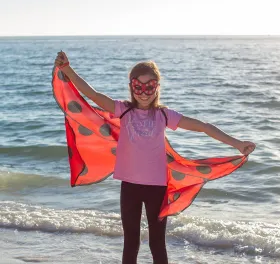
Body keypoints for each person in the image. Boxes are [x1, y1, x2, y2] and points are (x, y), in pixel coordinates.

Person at [54, 51, 256, 264]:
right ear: (132, 87)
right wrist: (67, 69)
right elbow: (92, 95)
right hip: (129, 186)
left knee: (156, 243)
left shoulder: (164, 115)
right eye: (138, 87)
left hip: (157, 188)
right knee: (131, 242)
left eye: (149, 87)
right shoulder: (123, 110)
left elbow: (203, 127)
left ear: (157, 87)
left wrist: (237, 144)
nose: (143, 92)